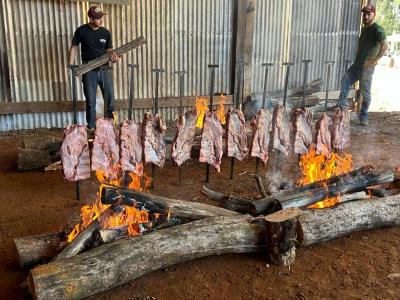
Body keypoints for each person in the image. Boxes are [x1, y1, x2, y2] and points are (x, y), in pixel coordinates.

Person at [68, 6, 120, 131]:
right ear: (91, 19)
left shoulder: (105, 33)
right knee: (91, 102)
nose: (101, 20)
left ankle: (110, 128)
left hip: (105, 70)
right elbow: (74, 47)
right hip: (88, 70)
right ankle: (91, 128)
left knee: (110, 101)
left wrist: (115, 57)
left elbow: (109, 51)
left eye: (101, 17)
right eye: (98, 18)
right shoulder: (81, 31)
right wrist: (70, 65)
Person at [337, 4, 388, 126]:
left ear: (373, 15)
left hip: (366, 68)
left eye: (368, 14)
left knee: (365, 93)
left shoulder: (378, 29)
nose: (365, 16)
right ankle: (341, 107)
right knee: (345, 80)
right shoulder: (364, 29)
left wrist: (373, 61)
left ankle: (364, 116)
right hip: (357, 65)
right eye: (364, 14)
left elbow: (385, 46)